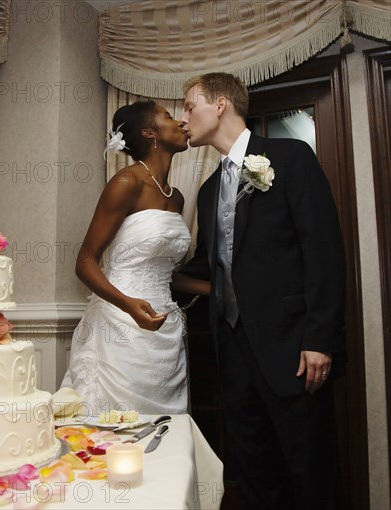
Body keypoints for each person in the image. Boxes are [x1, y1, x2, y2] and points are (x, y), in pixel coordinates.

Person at [180, 72, 345, 509]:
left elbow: (323, 249)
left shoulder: (290, 157)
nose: (184, 117)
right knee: (254, 474)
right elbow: (208, 267)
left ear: (219, 105)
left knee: (311, 473)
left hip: (294, 350)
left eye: (189, 105)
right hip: (234, 353)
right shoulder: (210, 189)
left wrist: (318, 339)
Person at [61, 100, 210, 415]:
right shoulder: (126, 183)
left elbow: (163, 273)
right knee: (119, 427)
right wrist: (128, 305)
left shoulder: (177, 197)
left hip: (165, 325)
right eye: (169, 118)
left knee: (166, 432)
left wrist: (212, 289)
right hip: (121, 325)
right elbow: (85, 262)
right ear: (149, 133)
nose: (182, 124)